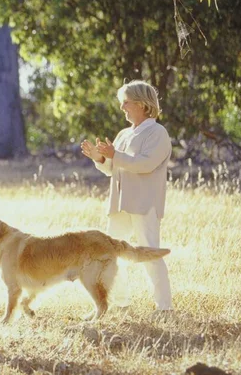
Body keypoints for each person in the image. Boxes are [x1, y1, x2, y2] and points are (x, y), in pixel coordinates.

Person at [80, 79, 173, 312]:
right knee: (109, 254)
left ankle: (164, 308)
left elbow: (146, 164)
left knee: (149, 253)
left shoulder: (158, 133)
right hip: (119, 204)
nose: (122, 108)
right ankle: (121, 303)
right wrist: (99, 157)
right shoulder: (123, 134)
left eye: (126, 103)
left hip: (144, 204)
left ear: (142, 104)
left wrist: (114, 155)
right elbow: (113, 167)